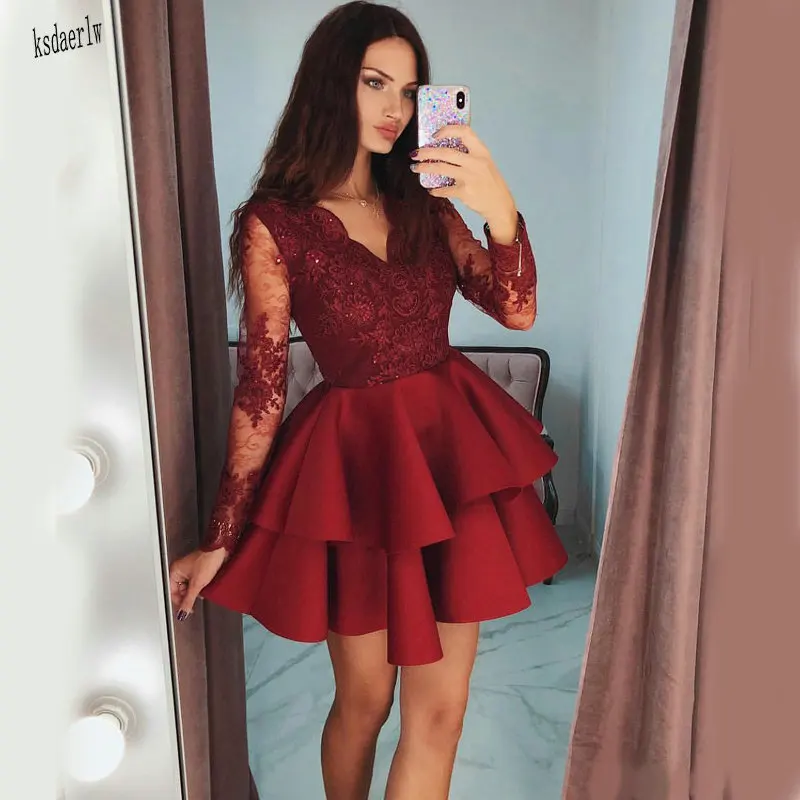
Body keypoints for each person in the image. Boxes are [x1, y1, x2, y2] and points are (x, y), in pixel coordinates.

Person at [168, 2, 567, 798]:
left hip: (450, 458)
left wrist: (497, 204)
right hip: (355, 471)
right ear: (331, 83)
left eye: (410, 90)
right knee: (365, 702)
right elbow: (262, 388)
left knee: (441, 712)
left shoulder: (427, 204)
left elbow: (516, 311)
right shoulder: (275, 224)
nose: (395, 107)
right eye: (374, 82)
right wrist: (221, 536)